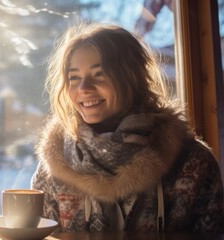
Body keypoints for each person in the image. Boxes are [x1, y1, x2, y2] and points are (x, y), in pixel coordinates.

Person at [31, 22, 224, 232]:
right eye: (74, 78)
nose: (84, 88)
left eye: (99, 74)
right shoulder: (53, 169)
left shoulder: (193, 164)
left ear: (132, 77)